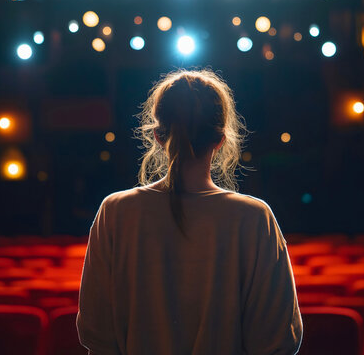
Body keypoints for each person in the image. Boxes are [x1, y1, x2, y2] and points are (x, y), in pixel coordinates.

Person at [77, 69, 302, 354]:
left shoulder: (116, 211)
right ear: (220, 139)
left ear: (158, 135)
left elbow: (96, 334)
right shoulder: (255, 218)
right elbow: (278, 339)